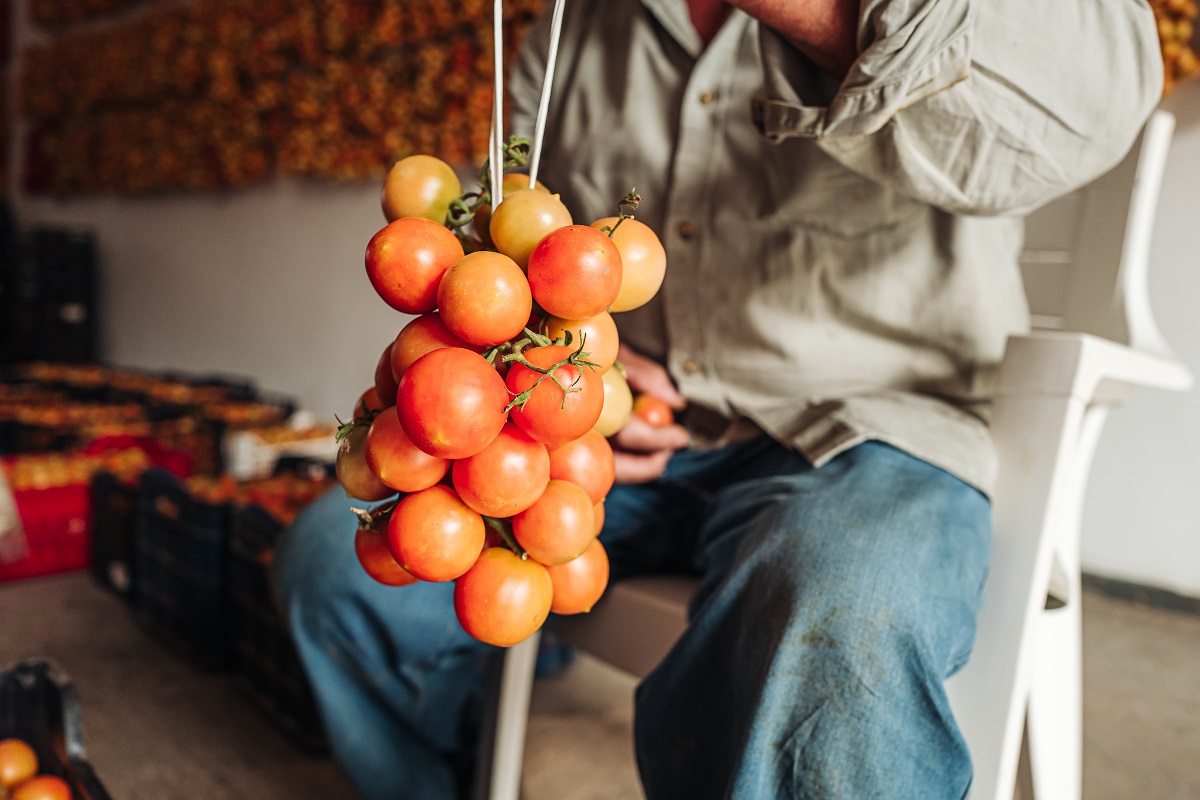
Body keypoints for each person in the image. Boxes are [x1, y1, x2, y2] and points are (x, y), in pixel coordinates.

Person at [273, 1, 1165, 797]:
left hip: (875, 430)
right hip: (620, 438)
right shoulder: (578, 19)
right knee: (333, 565)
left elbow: (1093, 99)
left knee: (843, 615)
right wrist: (575, 381)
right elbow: (520, 240)